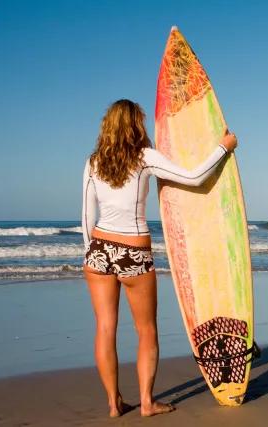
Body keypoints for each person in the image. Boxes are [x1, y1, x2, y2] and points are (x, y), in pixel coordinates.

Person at [81, 99, 238, 417]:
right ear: (135, 125)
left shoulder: (93, 162)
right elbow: (193, 178)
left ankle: (114, 404)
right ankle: (148, 403)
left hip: (98, 251)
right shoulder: (144, 158)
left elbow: (86, 216)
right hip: (133, 252)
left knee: (105, 329)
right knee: (147, 330)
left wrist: (92, 251)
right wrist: (224, 147)